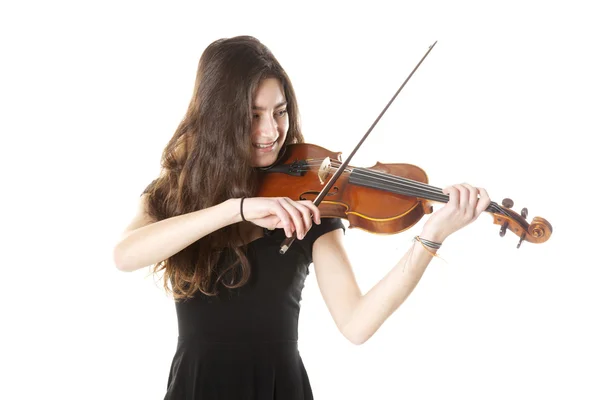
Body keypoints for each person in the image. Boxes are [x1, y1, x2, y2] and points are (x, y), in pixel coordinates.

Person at [113, 35, 491, 399]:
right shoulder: (176, 192)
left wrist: (432, 236)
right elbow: (125, 255)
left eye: (280, 112)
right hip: (195, 388)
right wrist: (235, 210)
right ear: (217, 119)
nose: (271, 131)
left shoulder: (311, 206)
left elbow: (356, 324)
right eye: (253, 115)